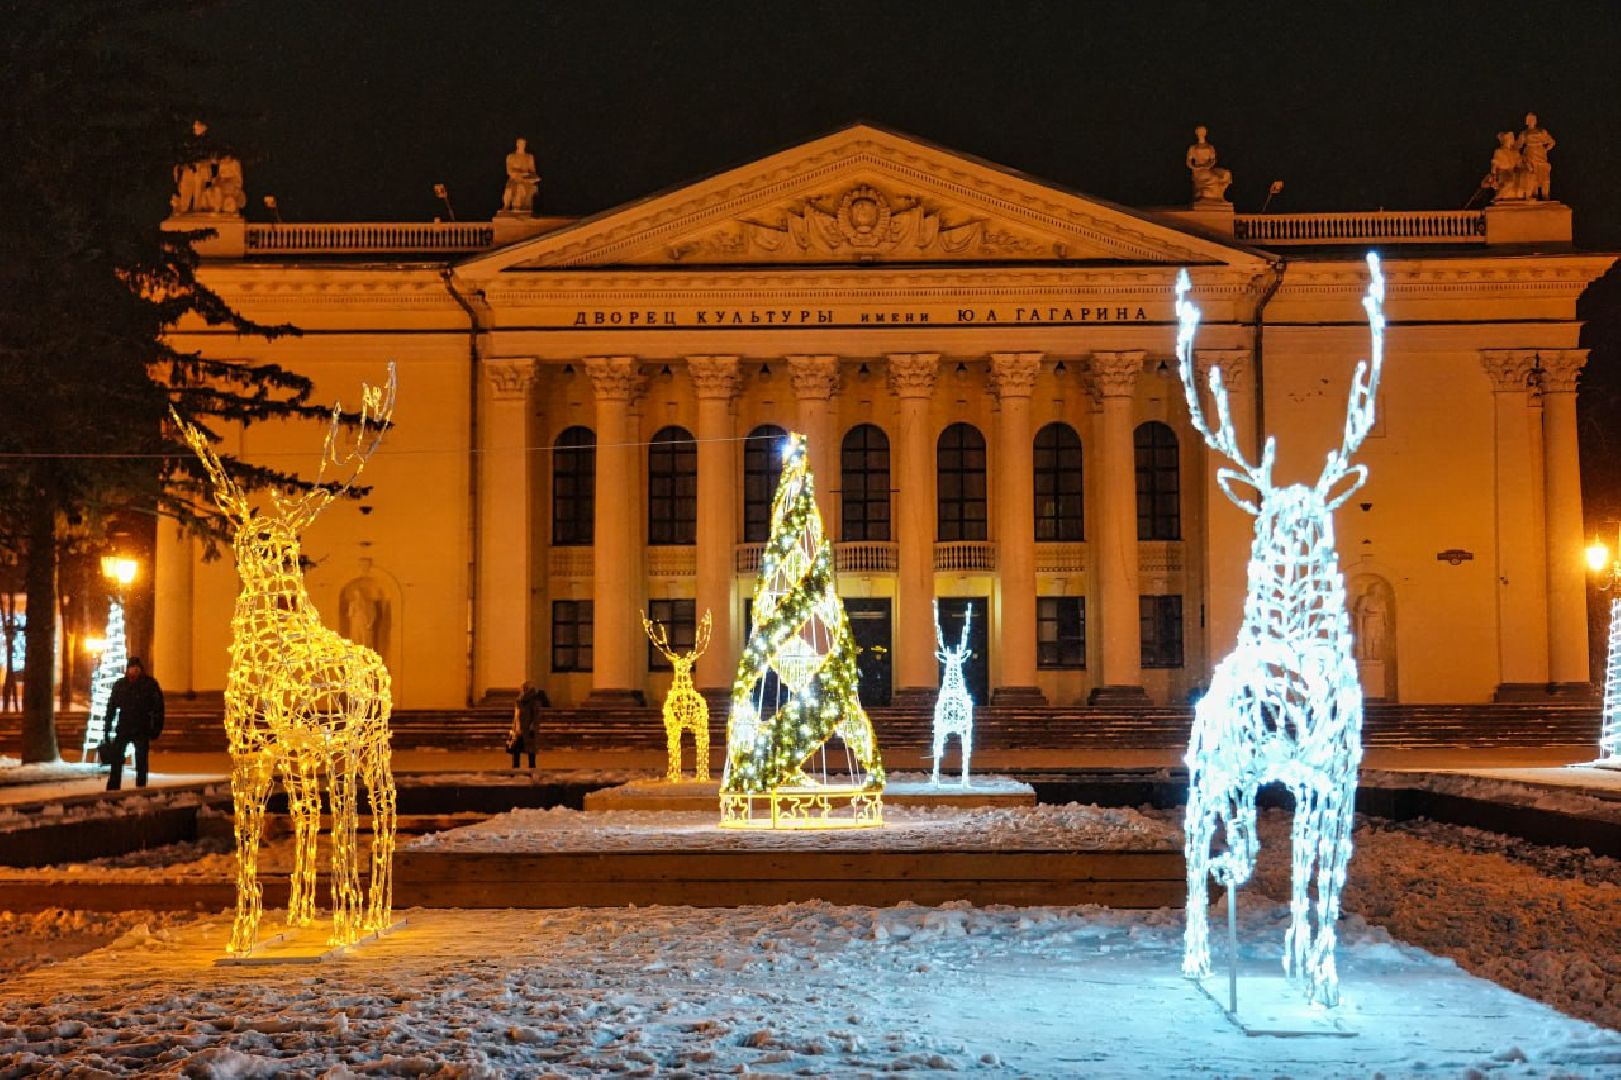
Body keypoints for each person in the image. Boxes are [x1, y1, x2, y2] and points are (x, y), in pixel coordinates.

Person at [105, 657, 165, 790]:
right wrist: (107, 727)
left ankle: (140, 786)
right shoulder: (121, 685)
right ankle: (114, 785)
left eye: (136, 669)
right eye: (132, 669)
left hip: (141, 726)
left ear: (140, 670)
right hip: (125, 726)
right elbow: (112, 707)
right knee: (117, 758)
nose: (134, 671)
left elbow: (158, 708)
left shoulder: (149, 684)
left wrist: (156, 727)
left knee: (141, 759)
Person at [508, 681, 546, 769]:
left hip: (527, 729)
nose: (521, 690)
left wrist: (532, 726)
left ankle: (529, 770)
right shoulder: (519, 700)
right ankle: (517, 769)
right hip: (520, 730)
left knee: (529, 751)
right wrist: (514, 727)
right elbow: (517, 715)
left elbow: (535, 715)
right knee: (517, 750)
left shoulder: (533, 700)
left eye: (523, 688)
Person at [501, 137, 540, 214]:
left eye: (524, 144)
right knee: (511, 188)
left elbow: (532, 171)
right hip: (514, 179)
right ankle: (507, 206)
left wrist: (534, 177)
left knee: (524, 187)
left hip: (527, 180)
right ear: (517, 144)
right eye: (521, 143)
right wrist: (521, 173)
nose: (522, 145)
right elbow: (509, 171)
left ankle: (524, 208)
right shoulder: (510, 157)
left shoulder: (529, 157)